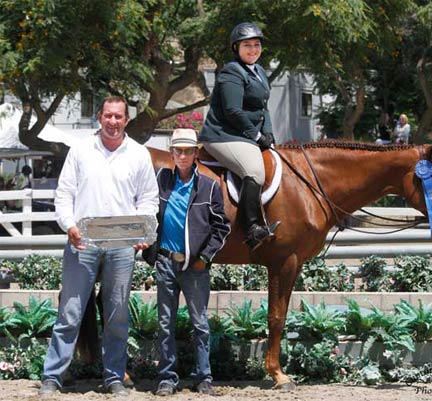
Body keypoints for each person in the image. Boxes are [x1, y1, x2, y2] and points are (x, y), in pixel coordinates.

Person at [39, 96, 159, 396]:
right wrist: (70, 226)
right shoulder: (80, 150)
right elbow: (64, 194)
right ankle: (52, 377)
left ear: (126, 120)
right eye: (108, 116)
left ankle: (114, 376)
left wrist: (143, 231)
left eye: (119, 116)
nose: (113, 122)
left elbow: (148, 200)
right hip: (83, 243)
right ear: (99, 118)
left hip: (122, 248)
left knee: (117, 314)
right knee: (70, 312)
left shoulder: (139, 154)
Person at [142, 128, 230, 397]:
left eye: (187, 151)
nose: (182, 155)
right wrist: (152, 253)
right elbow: (147, 213)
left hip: (195, 267)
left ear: (196, 154)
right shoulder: (161, 181)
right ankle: (167, 377)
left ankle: (203, 376)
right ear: (171, 153)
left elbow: (221, 227)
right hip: (166, 262)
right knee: (165, 323)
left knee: (200, 324)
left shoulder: (209, 186)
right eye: (177, 150)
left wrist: (205, 258)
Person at [199, 22, 280, 251]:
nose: (253, 49)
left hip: (244, 134)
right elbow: (233, 111)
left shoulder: (260, 71)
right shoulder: (232, 71)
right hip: (223, 135)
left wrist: (269, 133)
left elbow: (263, 108)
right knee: (254, 171)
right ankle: (252, 229)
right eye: (247, 45)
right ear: (237, 47)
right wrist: (256, 135)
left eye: (256, 45)